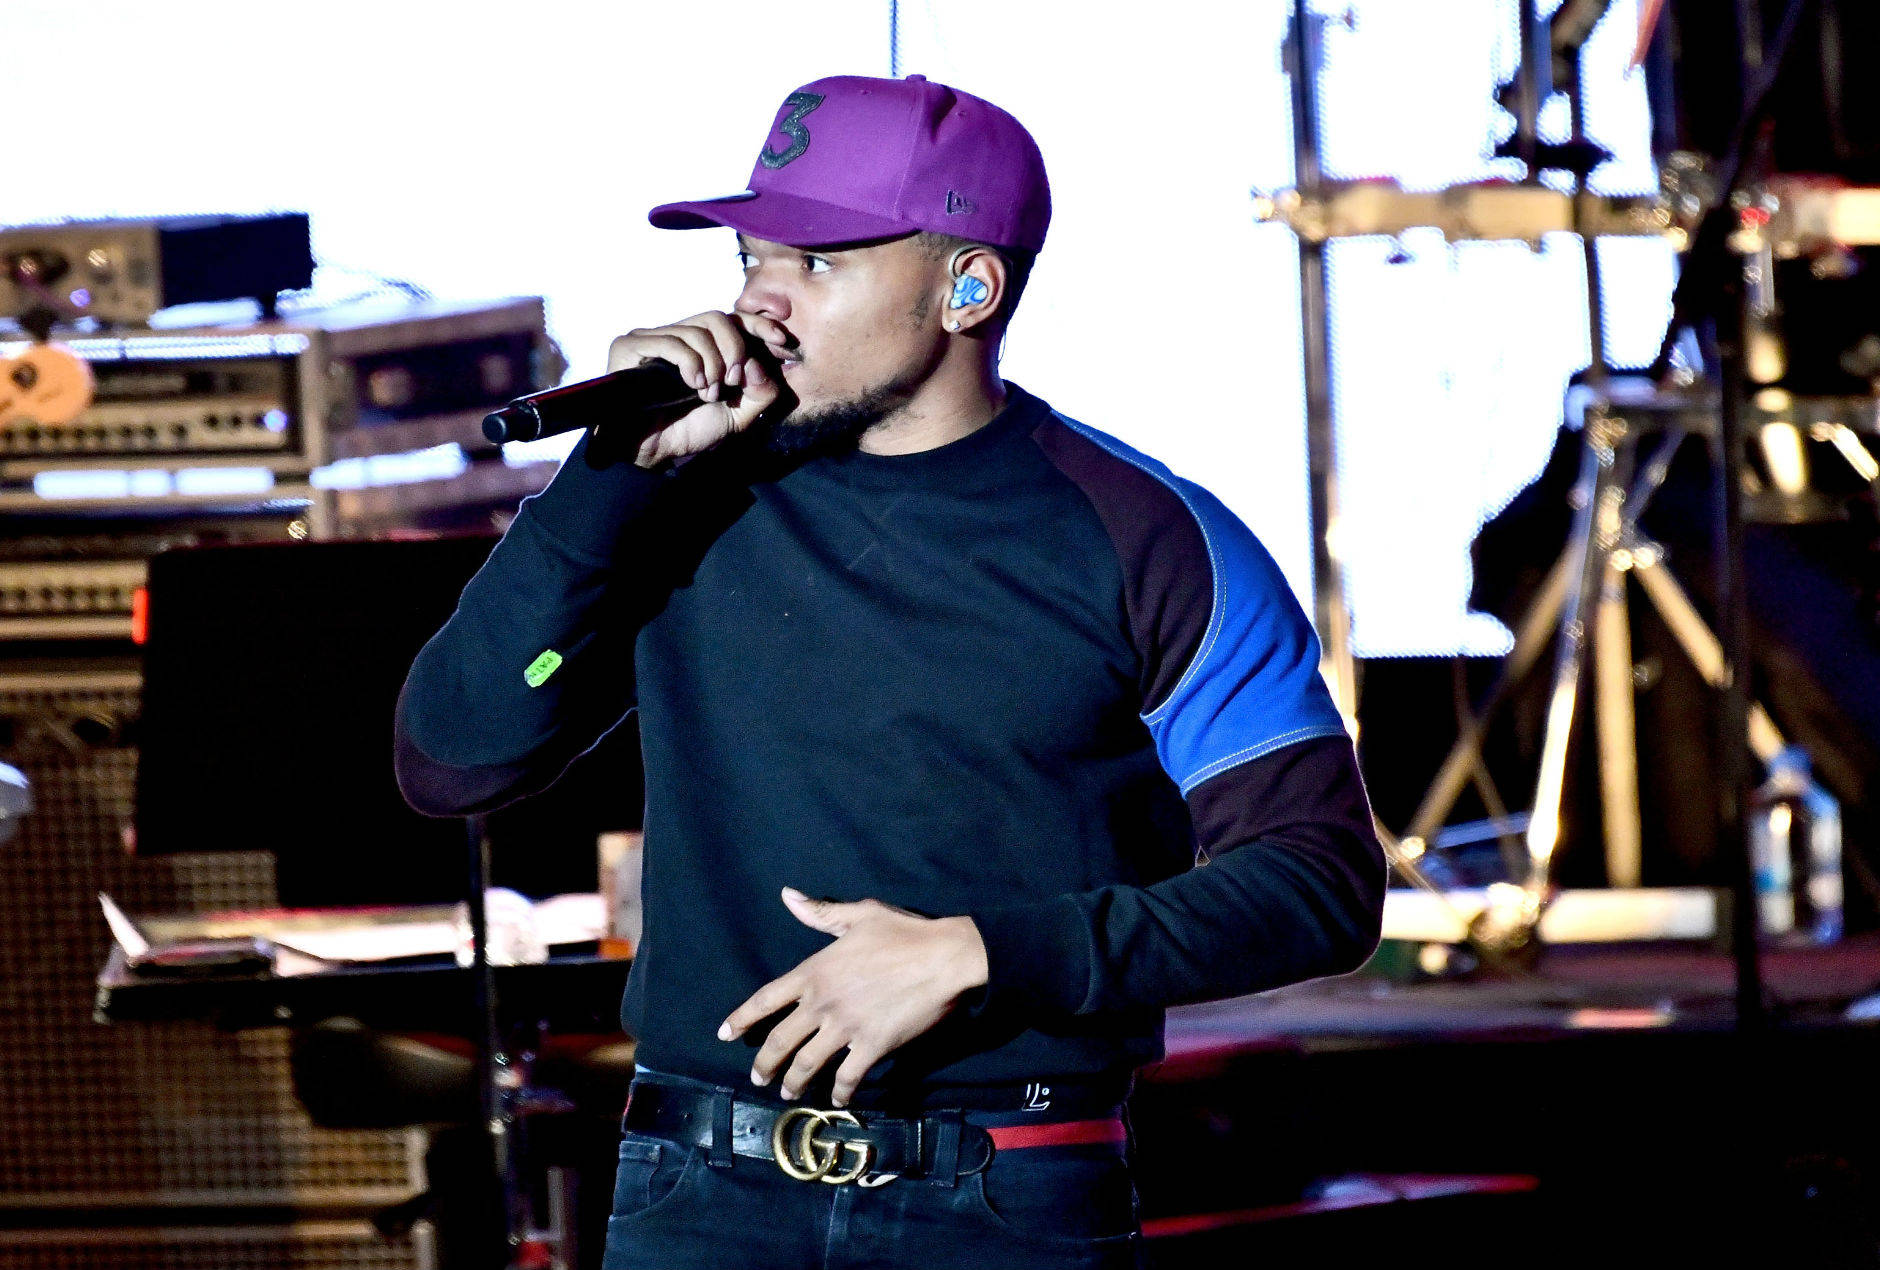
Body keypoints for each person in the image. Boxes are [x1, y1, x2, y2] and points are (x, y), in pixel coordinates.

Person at [396, 71, 1385, 1270]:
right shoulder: (675, 495)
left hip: (1006, 1194)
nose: (758, 302)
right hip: (696, 1188)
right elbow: (450, 760)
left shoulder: (1146, 538)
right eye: (750, 258)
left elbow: (1317, 883)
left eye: (816, 264)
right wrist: (606, 480)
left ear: (967, 288)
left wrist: (982, 954)